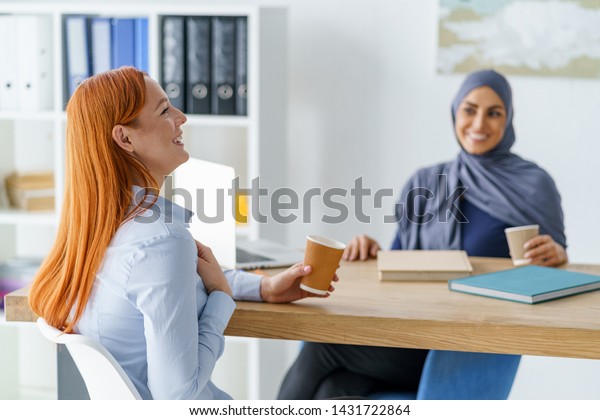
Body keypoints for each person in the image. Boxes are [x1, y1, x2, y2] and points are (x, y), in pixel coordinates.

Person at [28, 66, 337, 400]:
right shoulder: (162, 240)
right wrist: (221, 297)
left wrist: (264, 288)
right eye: (164, 111)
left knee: (341, 388)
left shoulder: (100, 229)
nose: (181, 117)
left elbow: (166, 281)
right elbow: (178, 398)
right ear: (125, 138)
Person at [277, 69, 567, 399]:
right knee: (335, 388)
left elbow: (556, 265)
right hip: (411, 333)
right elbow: (401, 261)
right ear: (455, 112)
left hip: (468, 346)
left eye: (494, 113)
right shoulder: (427, 181)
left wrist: (556, 255)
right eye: (469, 109)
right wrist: (374, 253)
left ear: (509, 119)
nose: (479, 124)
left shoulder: (533, 184)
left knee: (322, 349)